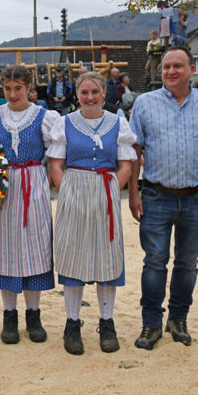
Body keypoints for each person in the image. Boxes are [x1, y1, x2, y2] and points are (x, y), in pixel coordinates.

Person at [128, 45, 198, 350]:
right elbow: (133, 150)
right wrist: (133, 192)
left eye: (177, 66)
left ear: (191, 70)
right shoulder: (145, 103)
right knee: (155, 262)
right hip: (156, 195)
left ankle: (178, 319)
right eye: (166, 66)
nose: (170, 71)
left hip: (196, 196)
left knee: (187, 263)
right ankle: (151, 323)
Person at [0, 65, 59, 345]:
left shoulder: (44, 116)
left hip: (33, 185)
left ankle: (33, 315)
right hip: (1, 186)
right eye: (7, 89)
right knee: (4, 248)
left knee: (35, 248)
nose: (12, 94)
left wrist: (48, 181)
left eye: (18, 88)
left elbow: (57, 152)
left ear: (29, 88)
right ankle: (9, 315)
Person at [48, 72, 135, 355]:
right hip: (74, 189)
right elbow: (56, 164)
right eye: (84, 92)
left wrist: (112, 189)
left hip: (106, 189)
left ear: (104, 93)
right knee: (73, 254)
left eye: (95, 92)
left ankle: (107, 323)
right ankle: (72, 323)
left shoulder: (117, 123)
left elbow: (126, 164)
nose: (89, 97)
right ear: (77, 94)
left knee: (106, 255)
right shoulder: (65, 123)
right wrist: (67, 192)